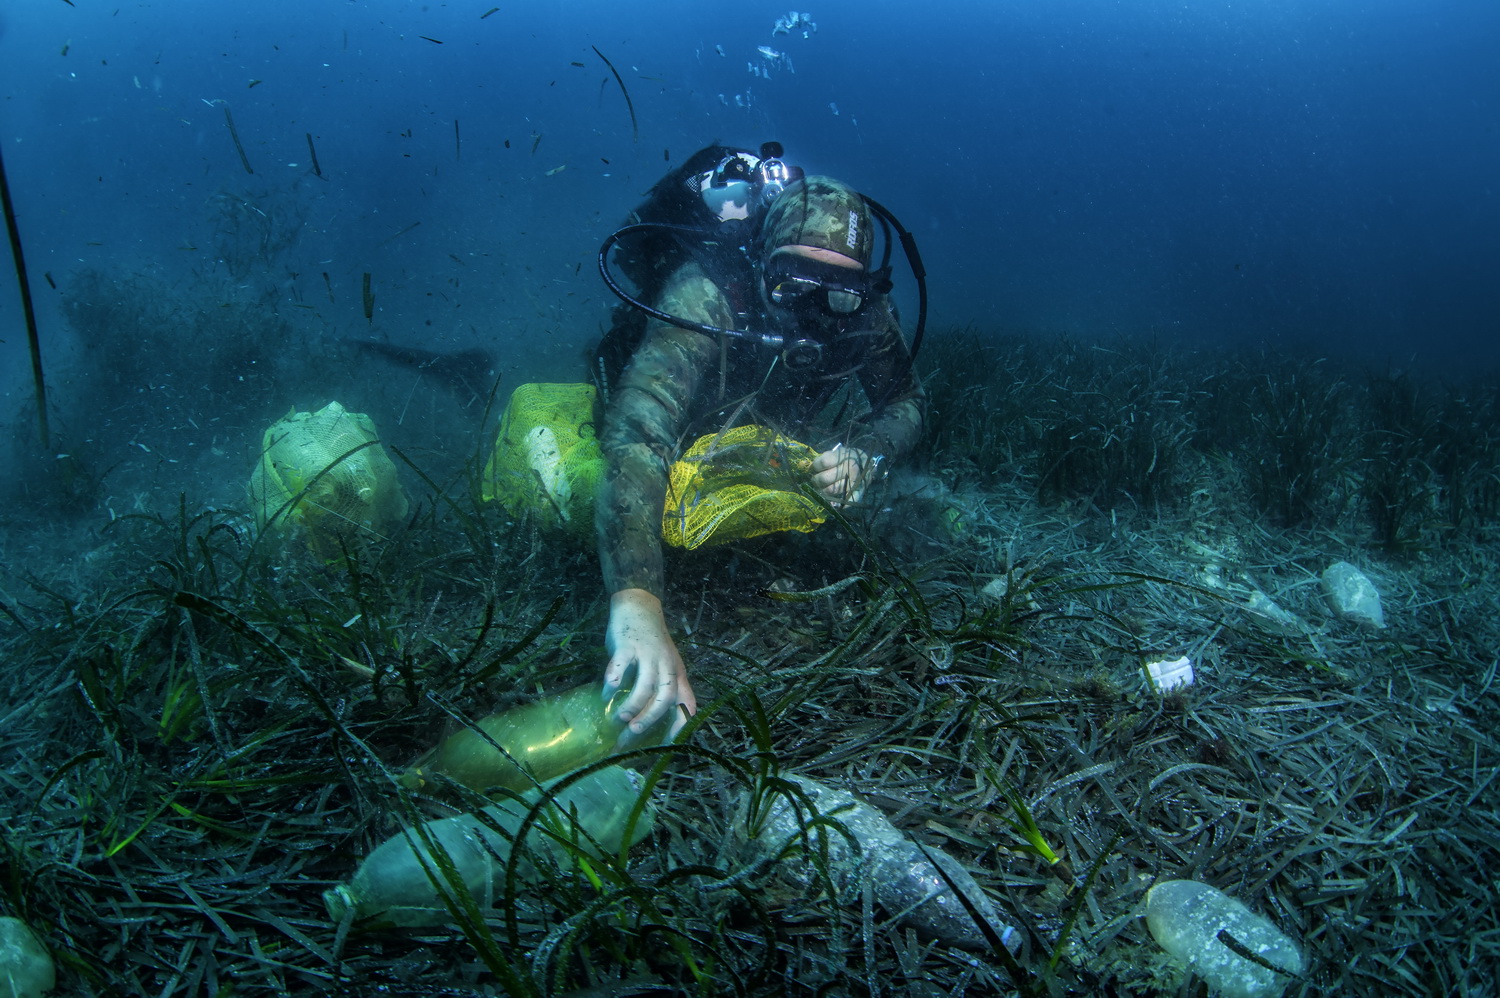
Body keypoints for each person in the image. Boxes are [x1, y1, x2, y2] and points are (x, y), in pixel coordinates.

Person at [593, 143, 927, 741]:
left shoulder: (870, 316)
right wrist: (637, 600)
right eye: (792, 287)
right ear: (759, 267)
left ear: (865, 289)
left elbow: (905, 401)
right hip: (670, 402)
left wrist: (866, 454)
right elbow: (639, 432)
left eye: (839, 293)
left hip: (751, 428)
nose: (816, 314)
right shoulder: (705, 293)